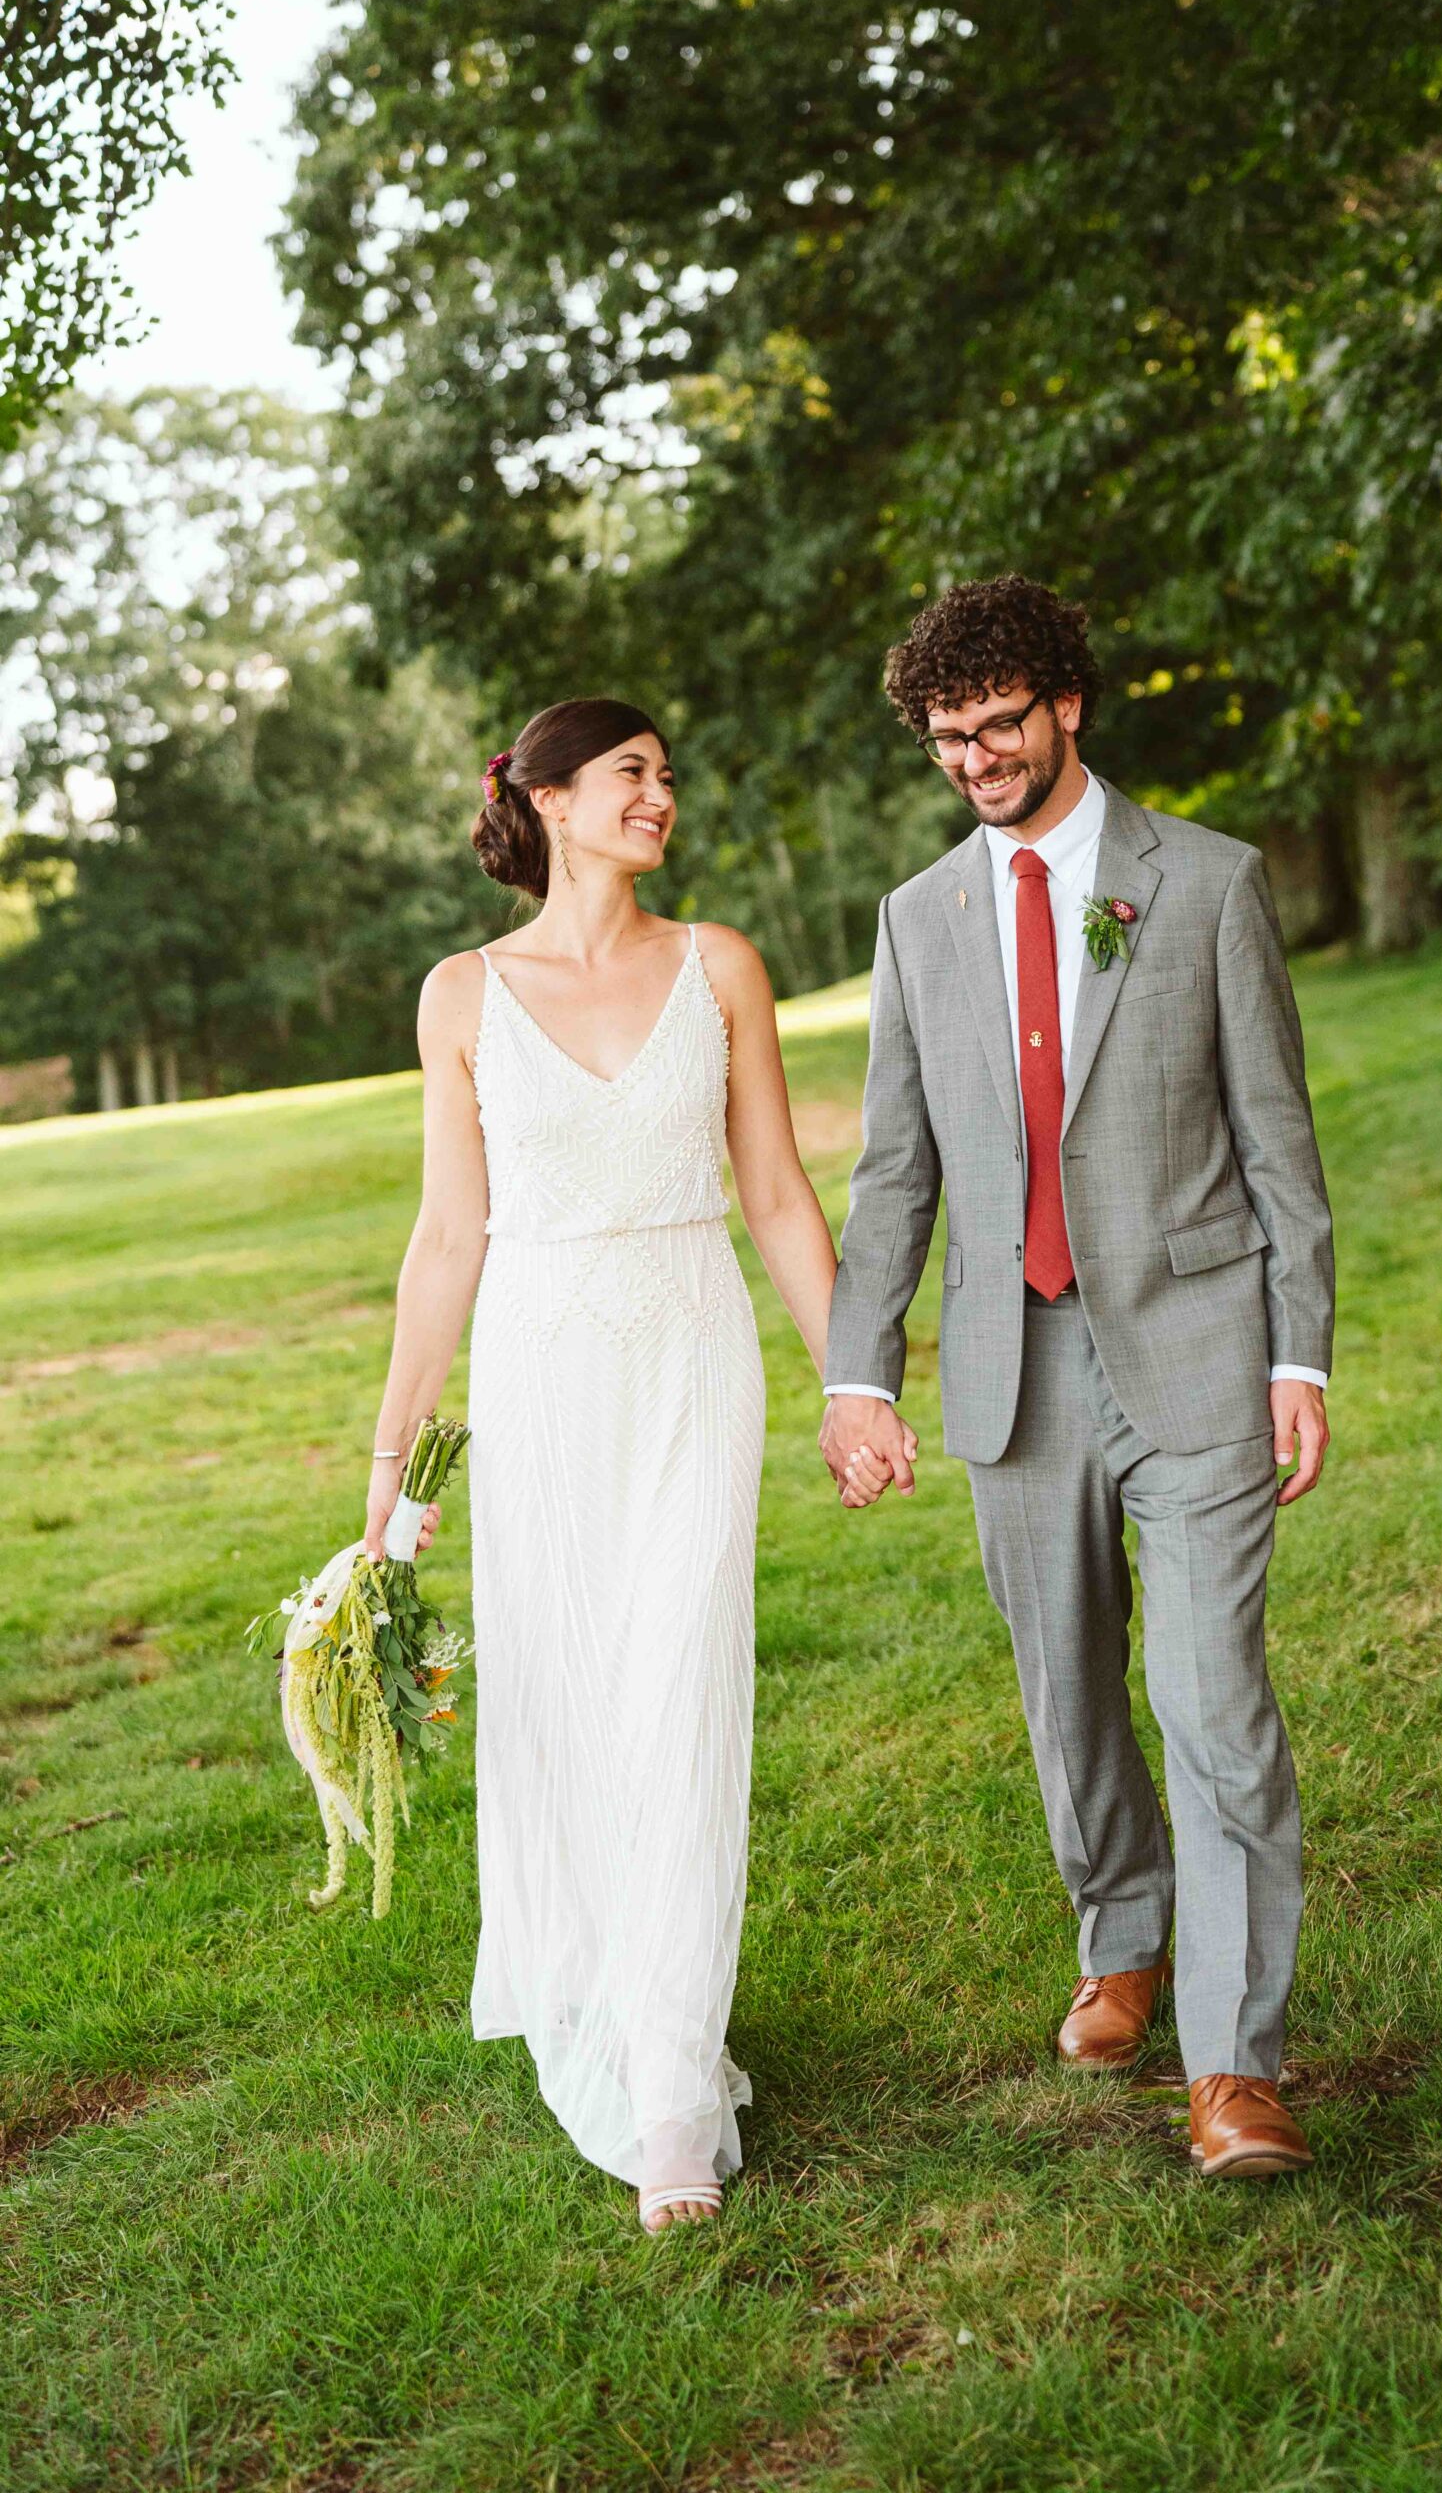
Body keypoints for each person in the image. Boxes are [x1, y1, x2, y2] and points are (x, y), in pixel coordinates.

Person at [822, 577, 1335, 2179]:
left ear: (1069, 707)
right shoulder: (923, 920)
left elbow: (1279, 1144)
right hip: (1010, 1366)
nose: (974, 759)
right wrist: (860, 1373)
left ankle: (1234, 2069)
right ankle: (1122, 1937)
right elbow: (894, 1167)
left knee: (1210, 1697)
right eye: (946, 739)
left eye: (998, 727)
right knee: (1069, 1690)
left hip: (1195, 1353)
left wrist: (1298, 1349)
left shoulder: (1206, 885)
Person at [361, 697, 875, 2232]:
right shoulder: (462, 996)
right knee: (569, 1694)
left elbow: (777, 1193)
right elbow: (450, 1234)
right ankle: (602, 1984)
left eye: (666, 773)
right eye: (633, 775)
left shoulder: (719, 966)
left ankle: (668, 2093)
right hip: (540, 1372)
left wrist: (852, 1385)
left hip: (689, 1358)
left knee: (678, 1687)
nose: (663, 795)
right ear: (553, 802)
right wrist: (394, 1464)